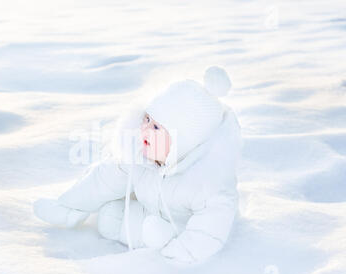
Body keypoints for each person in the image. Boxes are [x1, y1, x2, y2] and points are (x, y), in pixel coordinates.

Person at [34, 66, 242, 263]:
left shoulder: (207, 182)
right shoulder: (141, 157)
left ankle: (166, 241)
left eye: (157, 128)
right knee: (110, 218)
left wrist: (181, 252)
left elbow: (210, 229)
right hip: (150, 214)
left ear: (183, 143)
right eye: (147, 119)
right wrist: (69, 206)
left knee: (156, 232)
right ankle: (154, 238)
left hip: (184, 227)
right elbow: (104, 180)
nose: (146, 129)